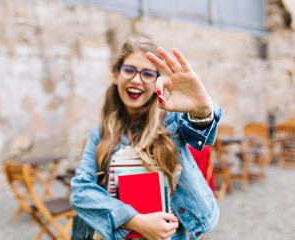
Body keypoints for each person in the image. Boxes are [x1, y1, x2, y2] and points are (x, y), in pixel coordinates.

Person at [70, 34, 222, 240]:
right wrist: (137, 221)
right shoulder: (99, 134)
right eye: (129, 70)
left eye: (148, 74)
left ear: (157, 82)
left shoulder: (172, 123)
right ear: (116, 75)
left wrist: (202, 109)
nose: (136, 80)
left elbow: (200, 130)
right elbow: (80, 191)